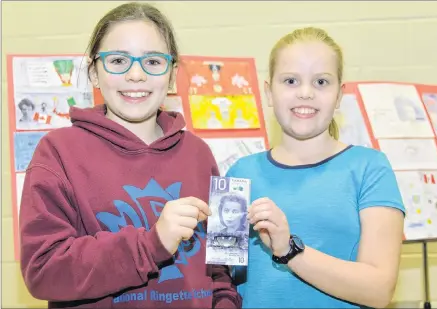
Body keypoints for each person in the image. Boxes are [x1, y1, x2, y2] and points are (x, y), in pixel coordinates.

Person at [19, 2, 241, 309]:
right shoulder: (57, 152)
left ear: (172, 75)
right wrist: (151, 244)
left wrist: (226, 303)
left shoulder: (199, 154)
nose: (135, 75)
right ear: (94, 73)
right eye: (118, 60)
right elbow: (43, 271)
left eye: (152, 61)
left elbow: (221, 266)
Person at [226, 27, 405, 308]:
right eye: (290, 81)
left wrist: (289, 250)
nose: (306, 93)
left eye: (321, 82)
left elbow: (379, 289)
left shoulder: (369, 168)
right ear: (269, 92)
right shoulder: (240, 174)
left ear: (339, 96)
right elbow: (222, 279)